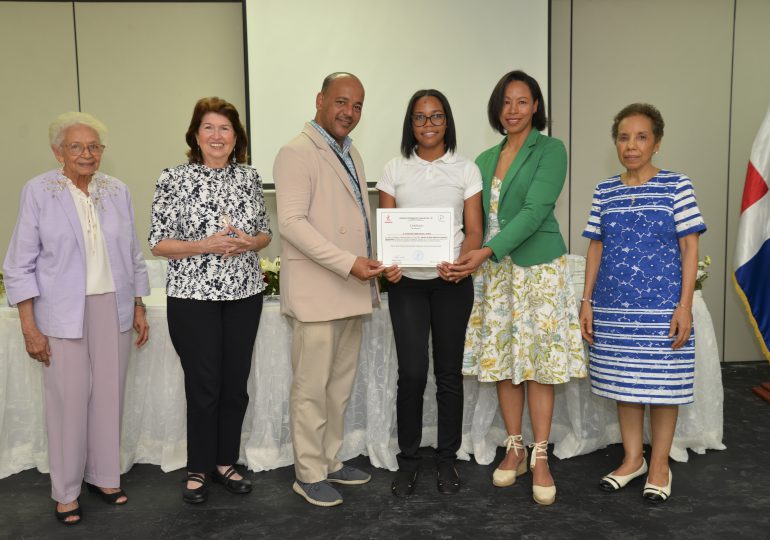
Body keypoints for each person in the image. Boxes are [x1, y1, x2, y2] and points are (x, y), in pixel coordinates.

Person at [3, 112, 150, 525]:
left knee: (109, 394)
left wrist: (138, 305)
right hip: (61, 311)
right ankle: (66, 491)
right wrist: (29, 327)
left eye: (94, 147)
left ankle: (104, 475)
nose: (87, 154)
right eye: (76, 147)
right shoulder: (38, 191)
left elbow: (133, 253)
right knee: (68, 400)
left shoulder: (117, 190)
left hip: (113, 305)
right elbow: (19, 264)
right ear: (58, 152)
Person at [451, 70, 587, 506]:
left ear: (535, 107)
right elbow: (474, 219)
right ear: (497, 108)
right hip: (495, 274)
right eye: (506, 102)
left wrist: (486, 251)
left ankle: (541, 454)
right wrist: (466, 251)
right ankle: (515, 447)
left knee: (538, 364)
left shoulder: (550, 150)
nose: (513, 110)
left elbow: (534, 211)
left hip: (536, 269)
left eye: (522, 102)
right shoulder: (484, 158)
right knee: (506, 360)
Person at [580, 103, 706, 504]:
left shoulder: (677, 186)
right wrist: (586, 301)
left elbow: (690, 246)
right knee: (626, 384)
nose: (631, 145)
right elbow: (596, 247)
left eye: (641, 137)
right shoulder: (605, 190)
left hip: (663, 308)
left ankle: (659, 465)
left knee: (662, 387)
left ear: (656, 143)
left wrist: (684, 305)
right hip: (614, 307)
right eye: (623, 137)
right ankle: (633, 459)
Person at [149, 97, 272, 504]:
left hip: (244, 293)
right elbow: (158, 242)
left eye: (225, 128)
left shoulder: (250, 177)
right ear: (195, 136)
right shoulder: (173, 178)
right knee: (204, 386)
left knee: (235, 385)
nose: (217, 136)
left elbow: (265, 233)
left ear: (236, 137)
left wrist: (252, 242)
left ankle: (225, 462)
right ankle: (198, 467)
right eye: (209, 128)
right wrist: (204, 245)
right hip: (193, 297)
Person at [274, 72, 382, 507]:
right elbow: (292, 224)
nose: (349, 113)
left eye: (357, 106)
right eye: (341, 102)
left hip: (351, 288)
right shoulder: (296, 151)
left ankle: (330, 460)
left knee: (338, 387)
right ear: (320, 100)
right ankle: (308, 472)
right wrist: (349, 263)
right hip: (321, 290)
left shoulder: (350, 152)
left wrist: (369, 264)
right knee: (311, 389)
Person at [377, 89, 483, 497]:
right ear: (410, 124)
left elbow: (473, 230)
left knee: (448, 375)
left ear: (447, 121)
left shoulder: (465, 170)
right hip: (406, 286)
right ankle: (408, 461)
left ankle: (446, 459)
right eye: (420, 118)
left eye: (436, 117)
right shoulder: (394, 169)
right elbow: (387, 226)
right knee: (412, 374)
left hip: (452, 283)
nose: (428, 125)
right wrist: (389, 262)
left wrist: (461, 261)